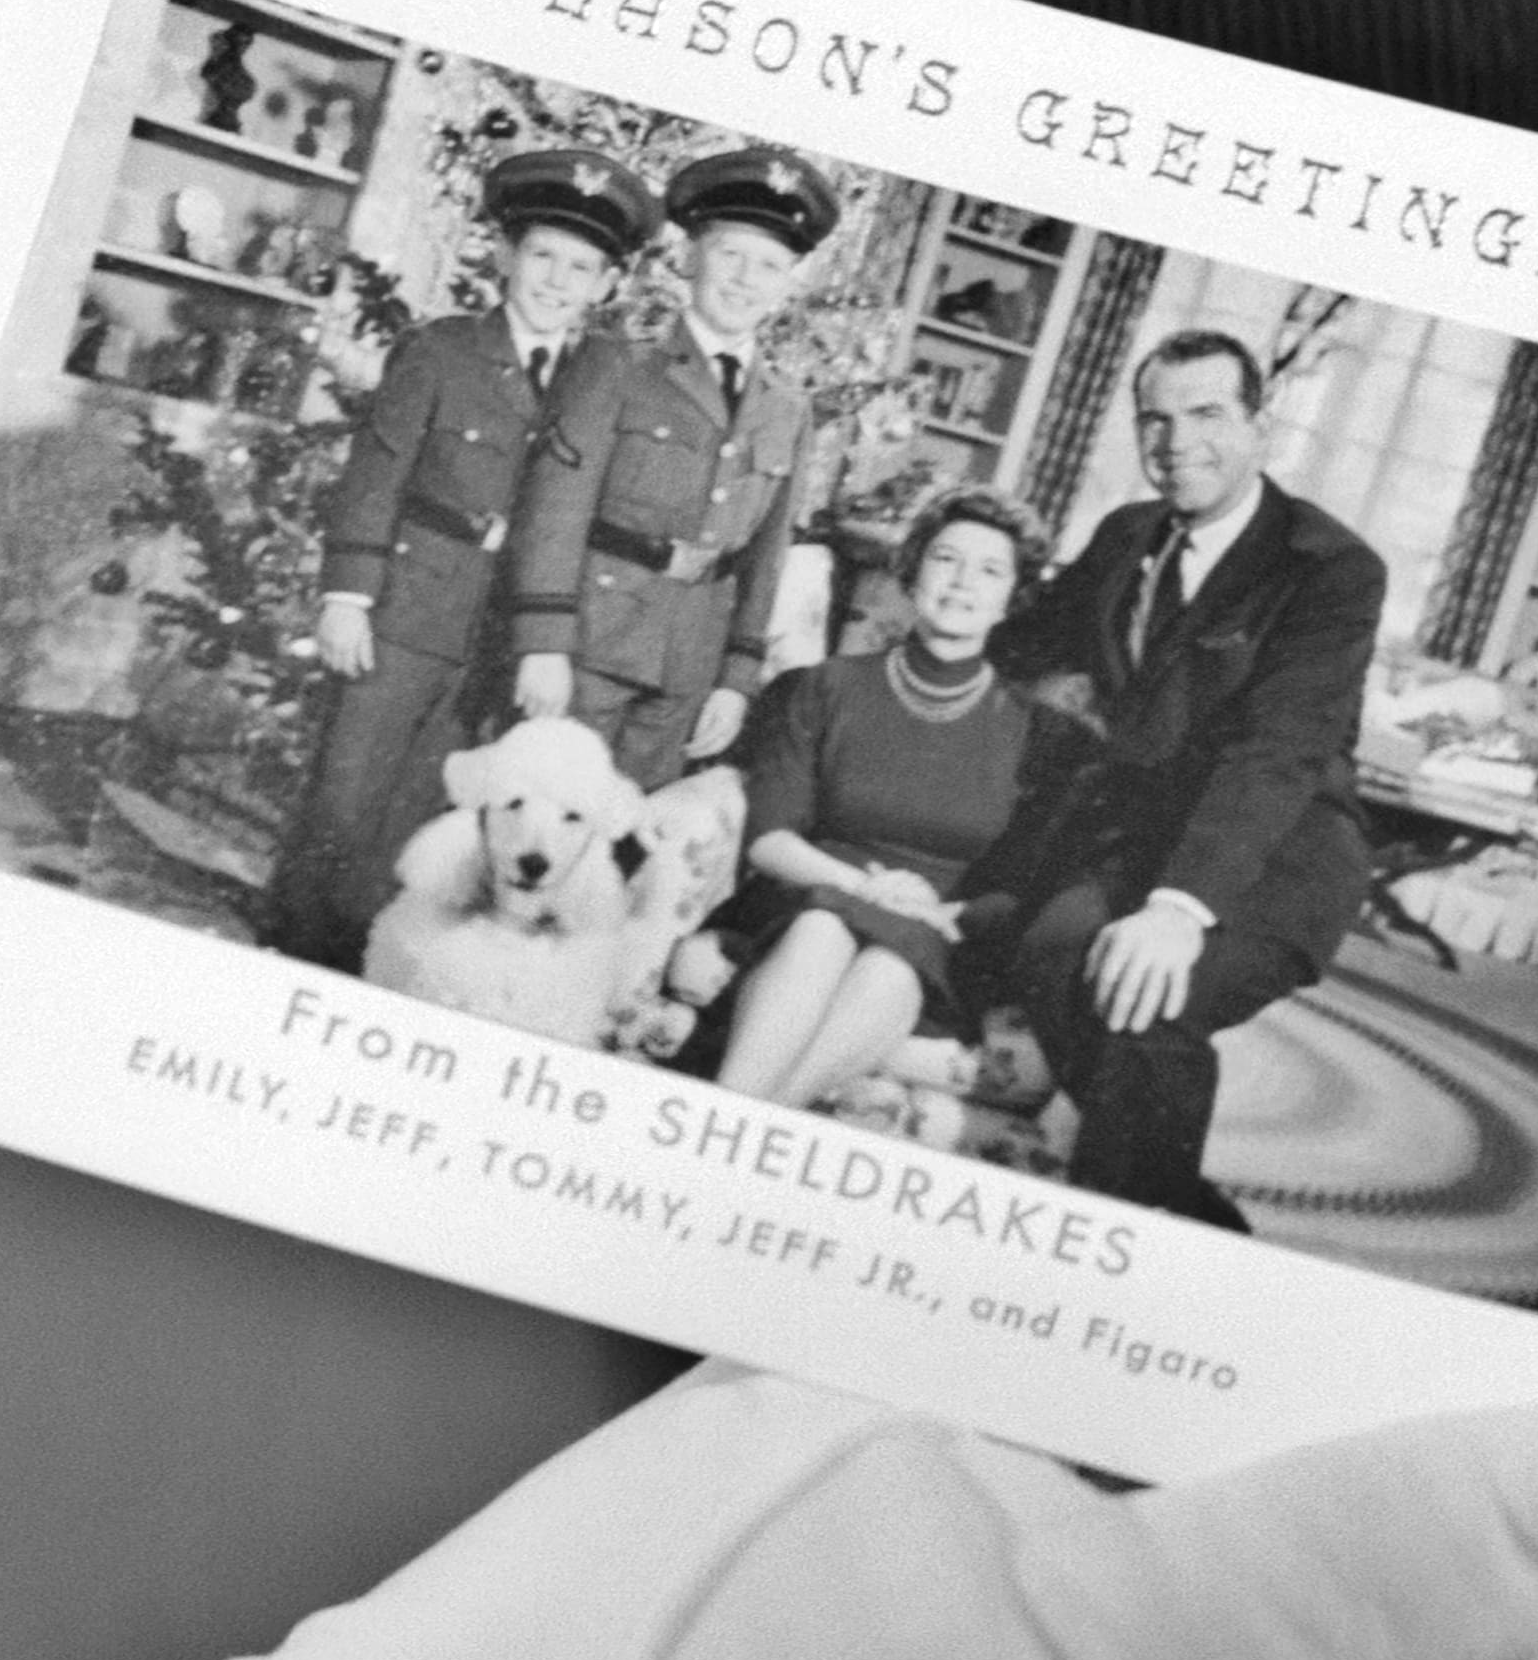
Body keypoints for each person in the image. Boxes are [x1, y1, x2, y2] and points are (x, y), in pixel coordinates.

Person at [968, 330, 1383, 1230]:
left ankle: (1142, 1239)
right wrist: (954, 613)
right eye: (1155, 419)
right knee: (1051, 952)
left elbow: (1278, 751)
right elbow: (1030, 638)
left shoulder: (1328, 568)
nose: (1176, 442)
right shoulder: (1127, 535)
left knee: (1145, 1002)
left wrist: (1178, 910)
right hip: (1136, 835)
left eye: (1206, 414)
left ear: (1261, 427)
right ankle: (1187, 1218)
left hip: (1280, 849)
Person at [264, 146, 659, 969]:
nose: (556, 281)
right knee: (347, 791)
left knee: (432, 798)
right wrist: (346, 596)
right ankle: (294, 948)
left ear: (605, 286)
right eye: (542, 256)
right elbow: (375, 475)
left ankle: (369, 952)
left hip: (502, 627)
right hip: (409, 604)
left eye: (581, 269)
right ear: (506, 256)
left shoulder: (600, 378)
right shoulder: (441, 351)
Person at [713, 485, 1085, 1110]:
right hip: (812, 892)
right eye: (946, 559)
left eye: (989, 570)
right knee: (820, 929)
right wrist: (863, 887)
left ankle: (750, 1117)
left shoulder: (1040, 734)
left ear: (1012, 597)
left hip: (934, 926)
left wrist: (945, 912)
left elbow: (1022, 885)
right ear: (911, 573)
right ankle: (738, 1110)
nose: (962, 582)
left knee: (890, 966)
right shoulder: (823, 687)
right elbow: (769, 837)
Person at [505, 145, 830, 791]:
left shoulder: (788, 410)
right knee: (546, 812)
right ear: (689, 258)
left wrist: (736, 680)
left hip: (691, 664)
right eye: (729, 255)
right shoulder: (617, 366)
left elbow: (766, 559)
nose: (745, 280)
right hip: (590, 643)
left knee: (634, 831)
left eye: (768, 265)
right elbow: (555, 512)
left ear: (788, 284)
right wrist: (542, 643)